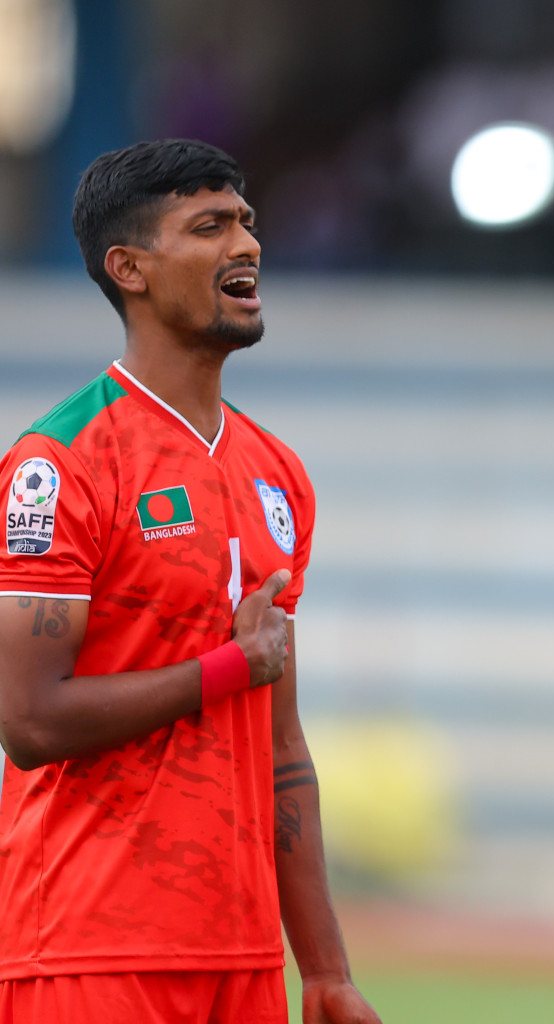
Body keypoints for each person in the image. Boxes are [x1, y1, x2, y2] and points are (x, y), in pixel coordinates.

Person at [0, 140, 378, 1024]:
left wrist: (322, 968)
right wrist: (225, 669)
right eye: (208, 227)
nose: (246, 244)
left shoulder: (276, 473)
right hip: (90, 945)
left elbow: (281, 746)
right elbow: (26, 719)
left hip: (241, 955)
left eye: (246, 221)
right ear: (127, 267)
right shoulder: (61, 464)